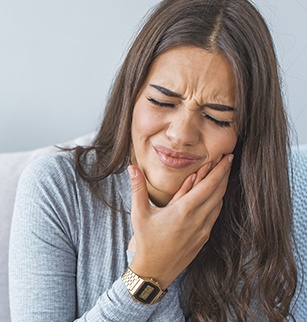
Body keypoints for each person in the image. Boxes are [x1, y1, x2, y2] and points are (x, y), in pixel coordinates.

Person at [9, 0, 298, 321]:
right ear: (132, 93)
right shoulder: (56, 187)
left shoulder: (255, 206)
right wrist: (150, 272)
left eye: (216, 118)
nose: (180, 134)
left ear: (244, 133)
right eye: (162, 101)